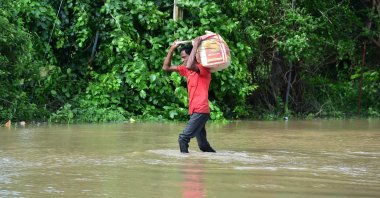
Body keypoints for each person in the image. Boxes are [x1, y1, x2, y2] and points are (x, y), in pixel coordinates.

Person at [162, 37, 216, 153]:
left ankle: (184, 163)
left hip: (201, 110)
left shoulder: (203, 69)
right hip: (195, 111)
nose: (182, 60)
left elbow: (190, 65)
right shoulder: (187, 71)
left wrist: (195, 46)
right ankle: (217, 160)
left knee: (183, 138)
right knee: (203, 146)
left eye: (184, 57)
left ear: (192, 55)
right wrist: (171, 49)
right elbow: (166, 67)